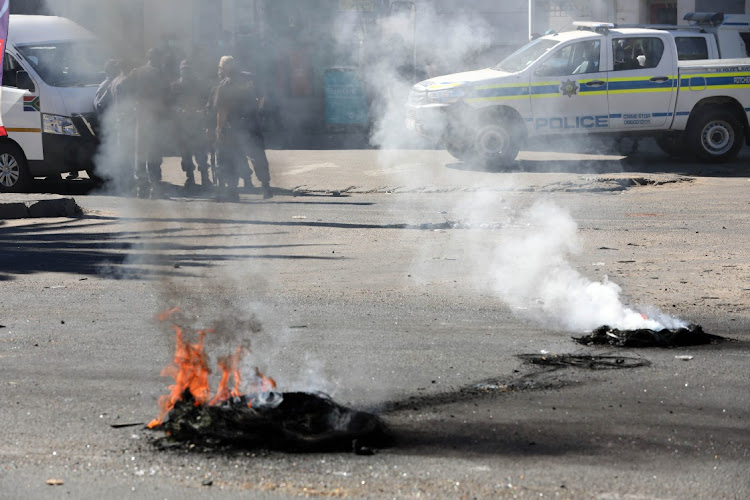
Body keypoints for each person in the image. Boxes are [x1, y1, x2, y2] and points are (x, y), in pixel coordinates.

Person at [130, 48, 170, 198]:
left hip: (141, 116)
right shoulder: (160, 74)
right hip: (155, 117)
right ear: (157, 58)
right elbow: (168, 96)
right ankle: (155, 188)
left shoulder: (137, 72)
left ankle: (142, 188)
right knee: (153, 152)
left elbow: (126, 88)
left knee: (140, 151)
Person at [171, 59, 211, 189]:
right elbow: (171, 104)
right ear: (180, 70)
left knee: (201, 154)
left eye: (188, 69)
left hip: (198, 124)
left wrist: (201, 111)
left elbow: (207, 102)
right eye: (184, 69)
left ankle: (205, 178)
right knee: (186, 155)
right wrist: (180, 111)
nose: (186, 72)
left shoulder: (199, 85)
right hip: (182, 126)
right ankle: (190, 179)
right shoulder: (175, 86)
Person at [211, 55, 244, 201]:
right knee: (235, 158)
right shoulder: (245, 81)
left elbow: (222, 110)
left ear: (224, 68)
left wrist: (219, 129)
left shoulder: (223, 85)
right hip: (242, 126)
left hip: (228, 127)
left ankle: (223, 190)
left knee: (222, 159)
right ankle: (233, 190)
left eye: (220, 67)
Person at [238, 70, 273, 199]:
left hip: (239, 125)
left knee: (239, 155)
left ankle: (249, 183)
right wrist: (257, 111)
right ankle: (265, 185)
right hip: (252, 123)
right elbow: (261, 98)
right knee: (257, 155)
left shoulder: (229, 82)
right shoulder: (250, 78)